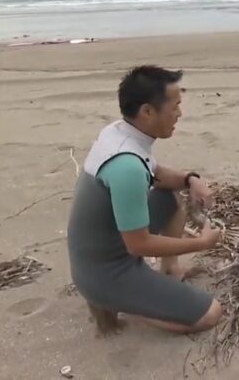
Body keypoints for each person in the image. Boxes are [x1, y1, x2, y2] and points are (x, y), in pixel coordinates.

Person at [66, 65, 223, 336]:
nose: (179, 113)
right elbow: (139, 245)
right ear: (147, 112)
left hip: (100, 252)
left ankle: (170, 270)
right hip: (106, 271)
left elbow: (158, 174)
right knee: (209, 314)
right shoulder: (127, 167)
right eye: (174, 106)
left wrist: (191, 179)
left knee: (170, 196)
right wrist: (201, 243)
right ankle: (123, 304)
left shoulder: (118, 133)